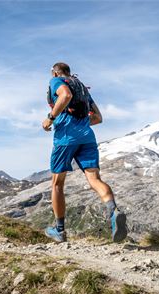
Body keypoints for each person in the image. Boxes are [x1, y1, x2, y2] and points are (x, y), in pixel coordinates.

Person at [41, 62, 127, 243]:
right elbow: (98, 117)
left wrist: (50, 119)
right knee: (95, 179)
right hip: (87, 137)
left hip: (65, 138)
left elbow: (65, 95)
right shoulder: (82, 88)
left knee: (57, 184)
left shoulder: (56, 81)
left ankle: (59, 230)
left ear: (55, 73)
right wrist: (82, 126)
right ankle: (114, 211)